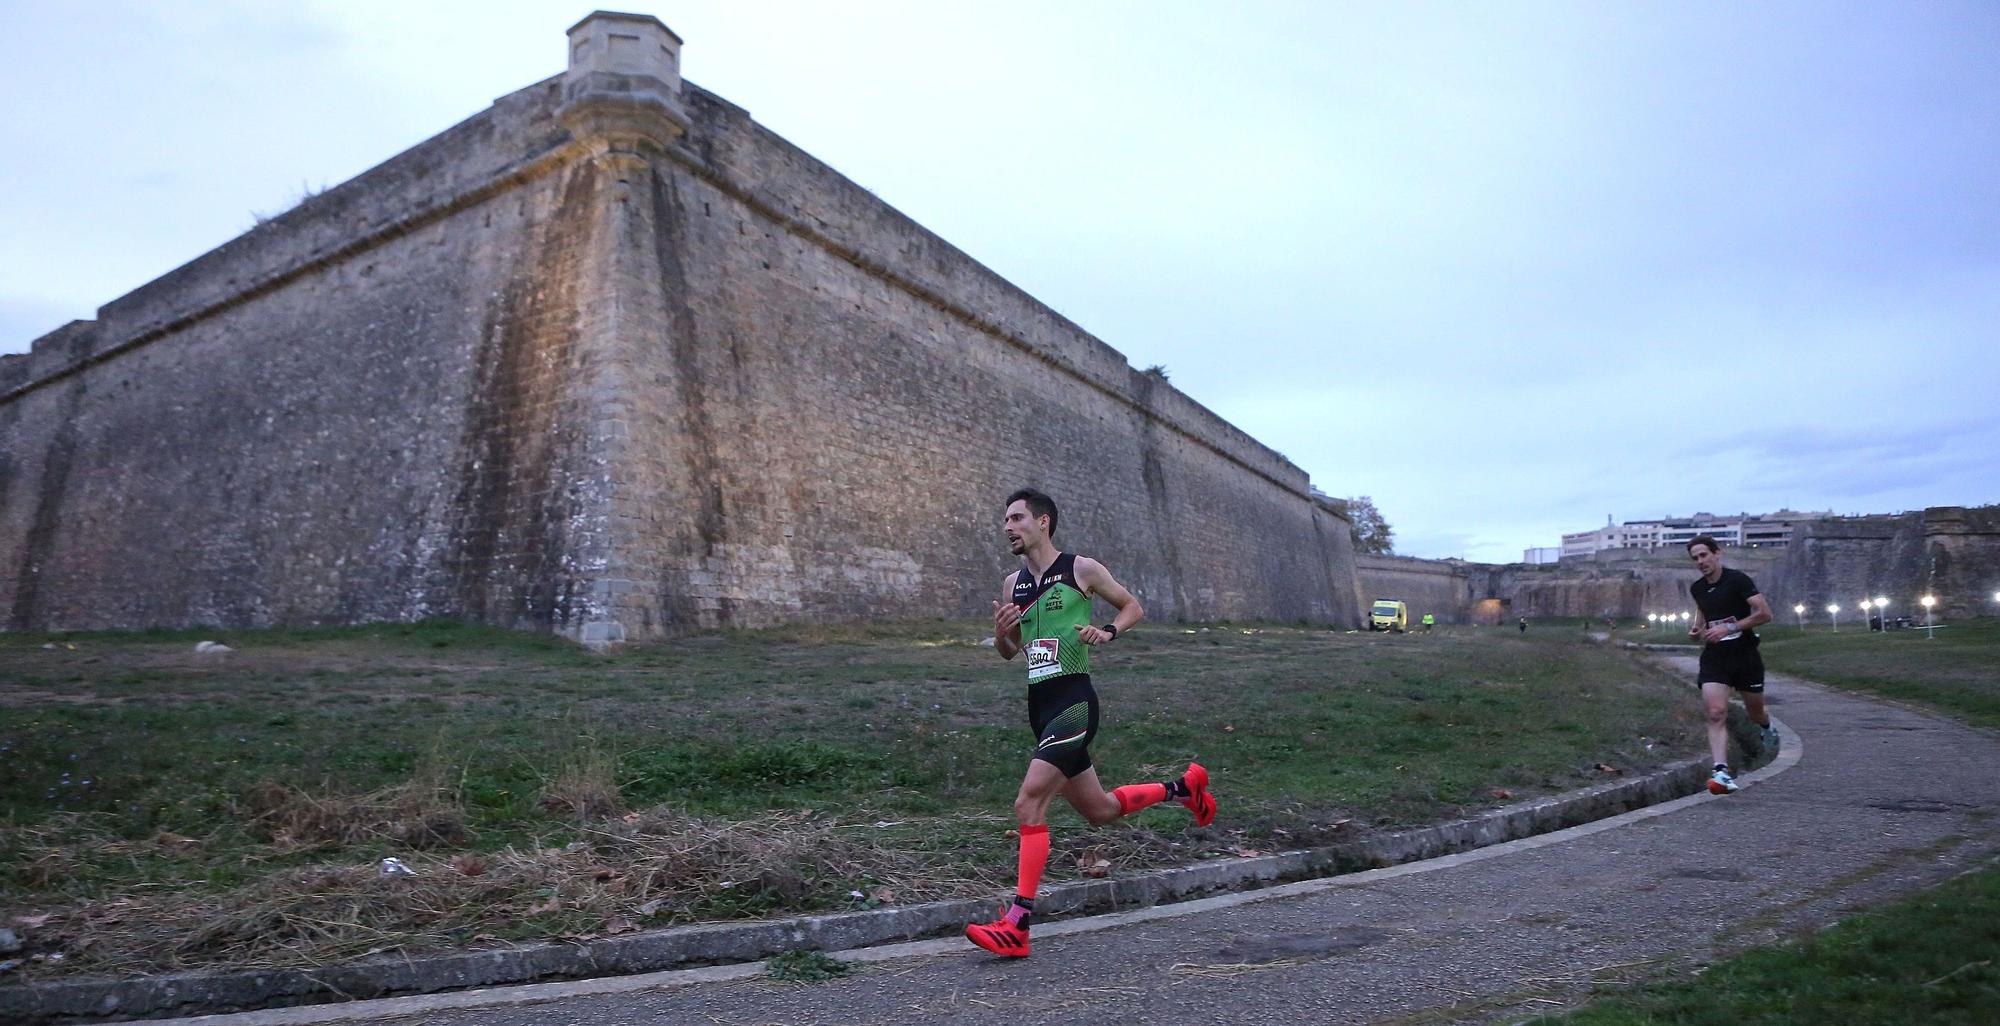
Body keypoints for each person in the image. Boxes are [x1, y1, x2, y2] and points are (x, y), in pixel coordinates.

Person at [965, 489, 1215, 959]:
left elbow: (1132, 605)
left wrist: (1108, 632)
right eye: (1005, 520)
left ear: (1043, 522)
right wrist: (1002, 634)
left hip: (1074, 701)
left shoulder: (1082, 569)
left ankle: (1017, 924)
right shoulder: (1011, 585)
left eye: (1016, 518)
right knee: (1099, 810)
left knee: (1028, 802)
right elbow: (1010, 651)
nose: (1007, 527)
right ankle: (1183, 789)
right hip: (1039, 705)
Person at [1686, 535, 1781, 794]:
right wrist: (1698, 627)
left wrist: (1730, 627)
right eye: (1695, 558)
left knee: (1755, 712)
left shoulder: (1738, 580)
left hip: (1745, 655)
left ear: (1718, 554)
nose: (1700, 562)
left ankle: (1765, 726)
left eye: (1704, 555)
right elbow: (1703, 608)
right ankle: (1721, 772)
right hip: (1716, 657)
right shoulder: (1697, 588)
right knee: (1715, 712)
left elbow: (1764, 614)